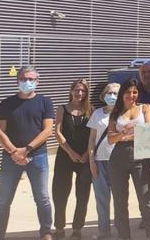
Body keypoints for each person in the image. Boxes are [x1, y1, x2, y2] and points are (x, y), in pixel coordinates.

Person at [0, 66, 56, 240]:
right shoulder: (6, 103)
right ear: (17, 80)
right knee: (4, 200)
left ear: (37, 81)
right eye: (23, 78)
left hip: (38, 157)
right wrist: (15, 152)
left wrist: (26, 150)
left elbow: (48, 130)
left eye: (31, 79)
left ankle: (46, 232)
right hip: (10, 158)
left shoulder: (45, 102)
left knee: (42, 197)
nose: (27, 82)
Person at [106, 79, 150, 240]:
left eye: (135, 92)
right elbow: (110, 139)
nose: (131, 95)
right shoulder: (115, 113)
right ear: (123, 93)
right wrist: (123, 134)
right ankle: (124, 236)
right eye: (128, 91)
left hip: (140, 155)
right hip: (118, 157)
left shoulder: (145, 108)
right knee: (119, 199)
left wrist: (125, 135)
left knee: (145, 197)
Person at [52, 78, 93, 239]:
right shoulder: (62, 109)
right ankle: (60, 227)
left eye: (83, 90)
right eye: (77, 90)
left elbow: (93, 136)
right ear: (71, 91)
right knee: (60, 192)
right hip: (65, 156)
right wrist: (70, 152)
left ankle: (77, 228)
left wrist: (85, 155)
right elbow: (57, 132)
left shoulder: (91, 111)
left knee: (82, 194)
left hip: (84, 158)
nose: (80, 93)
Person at [87, 82, 121, 240]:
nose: (112, 96)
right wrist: (91, 161)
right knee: (101, 198)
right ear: (104, 95)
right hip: (100, 161)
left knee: (120, 198)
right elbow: (92, 139)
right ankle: (104, 231)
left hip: (119, 161)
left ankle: (122, 229)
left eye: (116, 93)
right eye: (109, 92)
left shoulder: (124, 113)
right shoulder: (97, 114)